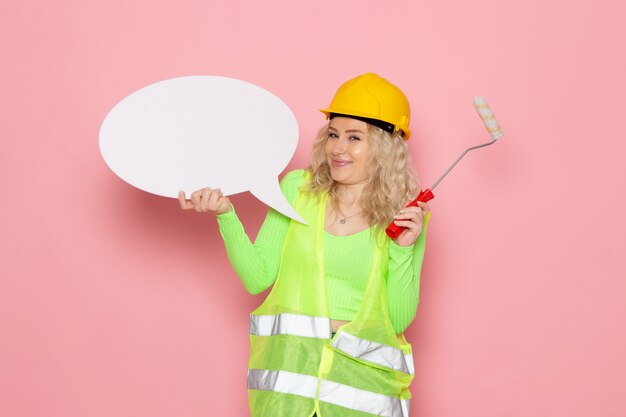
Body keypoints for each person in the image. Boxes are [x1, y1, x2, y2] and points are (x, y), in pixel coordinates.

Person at [178, 73, 430, 417]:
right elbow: (258, 277)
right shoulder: (298, 189)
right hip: (290, 387)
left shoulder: (404, 212)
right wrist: (226, 214)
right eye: (333, 134)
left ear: (385, 147)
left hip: (361, 392)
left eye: (354, 138)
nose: (338, 148)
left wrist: (403, 249)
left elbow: (397, 320)